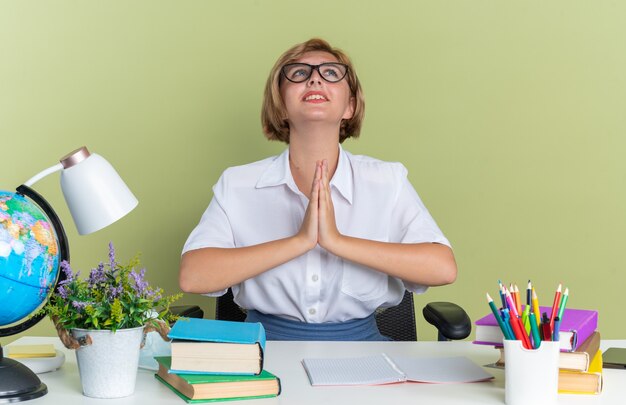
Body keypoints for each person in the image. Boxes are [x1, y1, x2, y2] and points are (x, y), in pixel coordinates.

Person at [179, 38, 457, 341]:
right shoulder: (237, 183)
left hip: (365, 349)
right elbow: (193, 276)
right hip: (263, 351)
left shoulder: (387, 180)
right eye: (299, 74)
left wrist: (336, 241)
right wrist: (300, 241)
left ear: (349, 106)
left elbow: (442, 268)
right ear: (281, 105)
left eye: (331, 73)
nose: (314, 78)